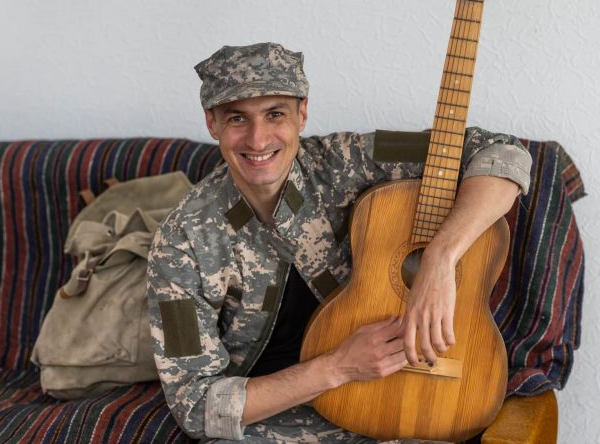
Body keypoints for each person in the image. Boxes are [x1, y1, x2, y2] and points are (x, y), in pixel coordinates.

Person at [147, 42, 532, 443]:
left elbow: (501, 152)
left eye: (275, 114)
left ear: (302, 114)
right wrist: (340, 367)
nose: (258, 140)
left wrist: (440, 257)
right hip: (279, 415)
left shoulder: (344, 160)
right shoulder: (182, 241)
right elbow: (195, 405)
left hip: (401, 392)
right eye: (237, 119)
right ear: (212, 124)